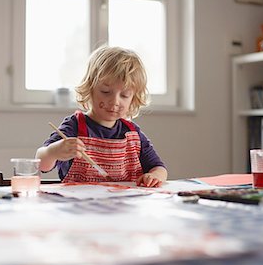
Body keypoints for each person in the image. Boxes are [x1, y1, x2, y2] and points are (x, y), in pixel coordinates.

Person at [36, 46, 168, 188]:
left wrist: (154, 176)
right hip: (80, 205)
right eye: (105, 92)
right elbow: (41, 163)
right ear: (90, 89)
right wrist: (53, 152)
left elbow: (159, 168)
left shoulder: (132, 133)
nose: (115, 101)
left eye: (124, 95)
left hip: (126, 206)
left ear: (133, 99)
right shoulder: (75, 126)